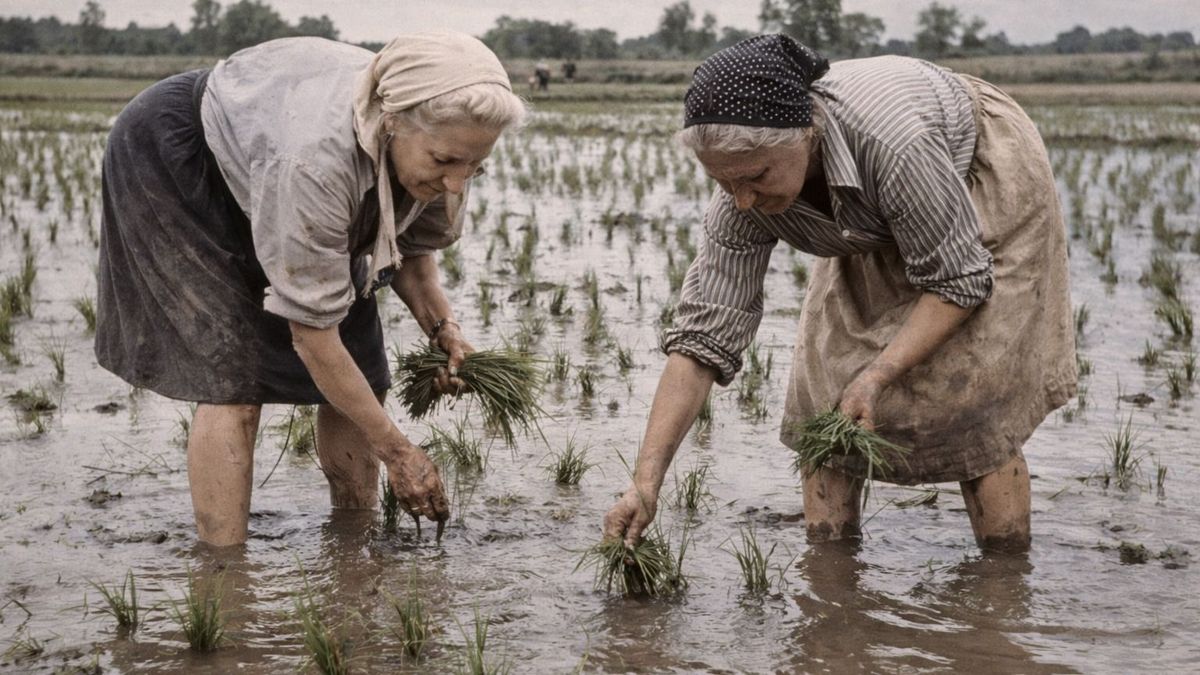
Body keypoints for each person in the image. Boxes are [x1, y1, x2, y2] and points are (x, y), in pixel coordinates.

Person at [603, 35, 1076, 553]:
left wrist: (878, 376)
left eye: (756, 176)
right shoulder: (742, 197)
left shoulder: (895, 146)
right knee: (826, 393)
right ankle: (831, 572)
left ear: (806, 132)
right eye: (723, 181)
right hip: (871, 199)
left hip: (974, 168)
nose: (742, 199)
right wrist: (646, 483)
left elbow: (959, 280)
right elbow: (702, 338)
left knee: (973, 392)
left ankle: (1002, 580)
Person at [95, 32, 526, 546]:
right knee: (233, 376)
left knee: (364, 360)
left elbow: (411, 255)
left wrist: (445, 331)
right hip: (185, 158)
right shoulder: (315, 163)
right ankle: (224, 572)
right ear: (390, 125)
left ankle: (352, 534)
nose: (457, 183)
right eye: (443, 163)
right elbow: (312, 334)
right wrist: (399, 453)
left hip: (288, 150)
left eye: (473, 166)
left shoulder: (447, 142)